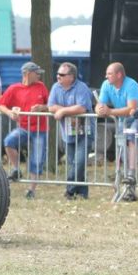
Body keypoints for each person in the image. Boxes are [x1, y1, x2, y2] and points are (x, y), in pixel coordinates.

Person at [95, 62, 138, 198]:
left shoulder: (131, 85)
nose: (106, 76)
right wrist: (99, 110)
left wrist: (110, 111)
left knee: (131, 138)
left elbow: (132, 108)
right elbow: (99, 104)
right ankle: (126, 181)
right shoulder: (106, 85)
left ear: (119, 75)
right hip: (121, 118)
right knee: (121, 144)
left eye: (109, 74)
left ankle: (130, 174)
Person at [0, 61, 50, 199]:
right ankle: (16, 169)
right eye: (36, 73)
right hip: (23, 127)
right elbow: (0, 105)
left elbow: (50, 104)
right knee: (9, 142)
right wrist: (10, 113)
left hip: (40, 129)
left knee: (36, 160)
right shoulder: (14, 88)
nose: (39, 76)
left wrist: (42, 107)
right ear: (28, 73)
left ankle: (31, 190)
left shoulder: (41, 87)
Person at [47, 61, 94, 199]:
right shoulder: (56, 87)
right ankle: (82, 193)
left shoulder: (82, 87)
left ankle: (69, 191)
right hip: (67, 133)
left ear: (71, 77)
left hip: (85, 132)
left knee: (79, 162)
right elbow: (50, 107)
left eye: (62, 74)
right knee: (74, 164)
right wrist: (63, 110)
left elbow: (82, 108)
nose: (58, 76)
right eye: (57, 74)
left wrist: (62, 111)